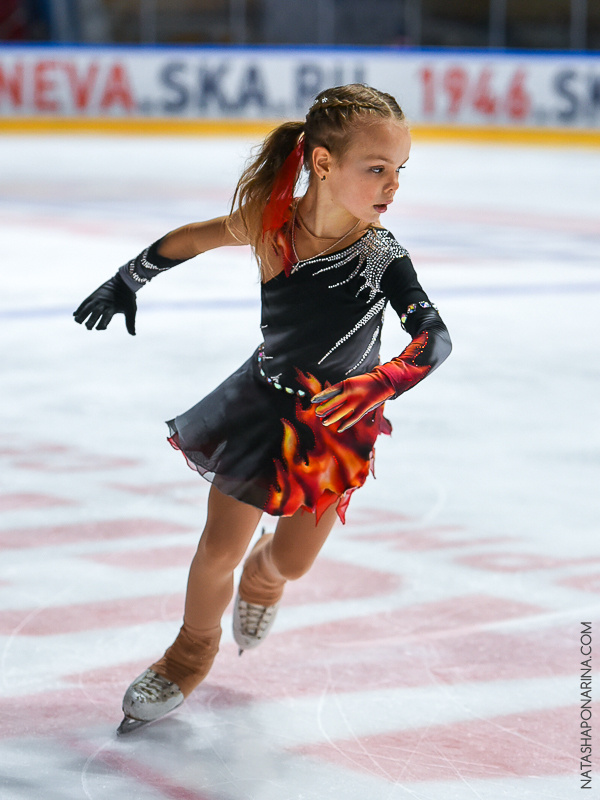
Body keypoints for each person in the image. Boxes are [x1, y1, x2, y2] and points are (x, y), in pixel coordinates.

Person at [74, 83, 452, 734]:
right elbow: (194, 237)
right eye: (377, 168)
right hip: (261, 408)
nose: (393, 186)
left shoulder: (383, 256)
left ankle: (266, 580)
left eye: (399, 171)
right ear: (325, 164)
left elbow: (433, 338)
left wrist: (379, 383)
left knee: (292, 561)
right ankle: (188, 656)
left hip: (335, 427)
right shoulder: (271, 222)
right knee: (217, 546)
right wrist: (126, 280)